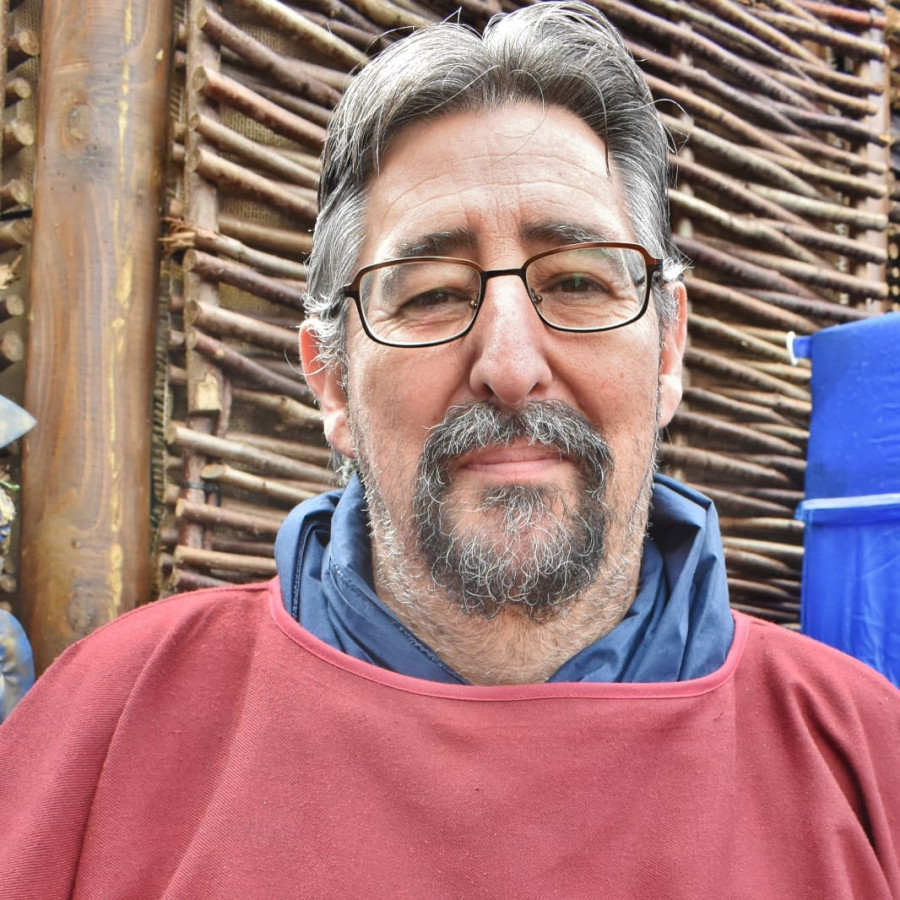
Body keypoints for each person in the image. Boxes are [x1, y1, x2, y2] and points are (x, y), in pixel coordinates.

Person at [1, 3, 898, 896]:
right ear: (331, 380)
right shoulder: (106, 728)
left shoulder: (866, 759)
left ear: (667, 352)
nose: (509, 367)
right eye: (430, 294)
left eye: (577, 281)